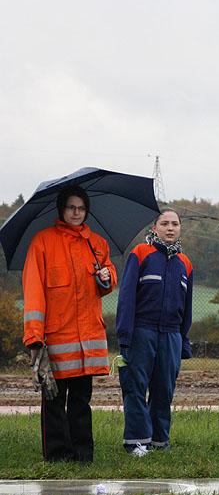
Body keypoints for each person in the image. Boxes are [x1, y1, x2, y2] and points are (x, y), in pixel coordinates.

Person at [22, 185, 117, 462]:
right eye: (71, 207)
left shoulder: (96, 244)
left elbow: (109, 276)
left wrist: (106, 277)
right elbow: (34, 291)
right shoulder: (42, 242)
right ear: (61, 210)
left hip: (87, 341)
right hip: (55, 339)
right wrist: (34, 337)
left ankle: (83, 453)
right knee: (53, 399)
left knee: (80, 401)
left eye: (81, 208)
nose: (76, 213)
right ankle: (58, 454)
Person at [115, 209, 194, 456]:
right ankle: (138, 443)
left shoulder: (186, 263)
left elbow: (187, 307)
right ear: (154, 228)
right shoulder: (140, 254)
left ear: (180, 228)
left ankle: (160, 442)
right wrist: (125, 336)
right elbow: (126, 299)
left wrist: (183, 340)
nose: (170, 228)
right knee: (135, 387)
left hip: (171, 335)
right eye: (164, 223)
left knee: (164, 389)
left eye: (175, 224)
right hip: (142, 331)